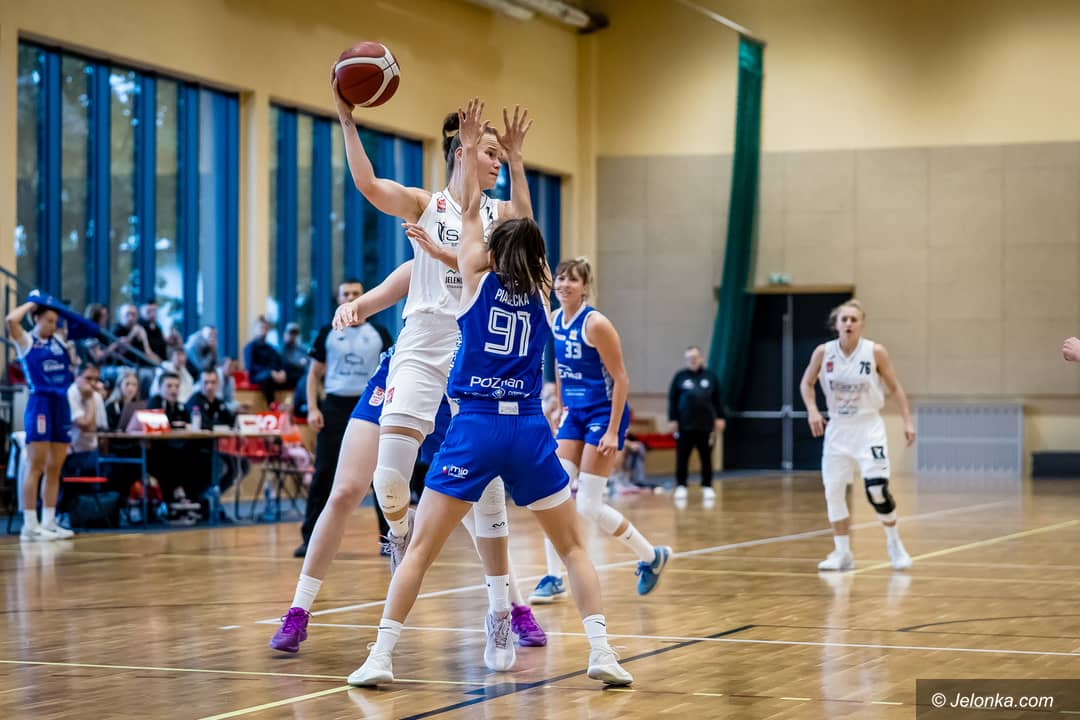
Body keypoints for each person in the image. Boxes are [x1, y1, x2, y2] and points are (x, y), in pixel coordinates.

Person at [347, 100, 631, 687]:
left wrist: (470, 162)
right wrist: (515, 161)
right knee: (573, 549)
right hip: (528, 428)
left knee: (420, 548)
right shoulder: (545, 288)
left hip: (476, 425)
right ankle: (603, 651)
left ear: (486, 253)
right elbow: (511, 225)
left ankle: (381, 655)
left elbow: (471, 221)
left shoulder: (473, 281)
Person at [269, 87, 545, 656]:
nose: (496, 160)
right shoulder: (426, 205)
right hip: (415, 357)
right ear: (462, 151)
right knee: (351, 487)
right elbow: (371, 190)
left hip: (468, 365)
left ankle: (510, 607)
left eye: (499, 154)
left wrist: (516, 161)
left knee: (483, 496)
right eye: (488, 152)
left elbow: (520, 227)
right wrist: (347, 120)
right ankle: (300, 608)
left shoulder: (496, 218)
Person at [531, 257, 670, 603]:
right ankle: (553, 577)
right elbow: (560, 365)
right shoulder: (554, 319)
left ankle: (650, 556)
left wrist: (612, 430)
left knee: (588, 505)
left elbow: (621, 378)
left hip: (604, 413)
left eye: (572, 280)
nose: (564, 285)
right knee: (552, 491)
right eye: (560, 278)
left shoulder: (596, 324)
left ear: (585, 287)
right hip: (575, 413)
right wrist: (559, 404)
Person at [799, 299, 914, 571]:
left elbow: (895, 388)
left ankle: (894, 543)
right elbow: (807, 383)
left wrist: (907, 421)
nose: (849, 323)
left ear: (862, 324)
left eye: (854, 319)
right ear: (836, 324)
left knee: (876, 490)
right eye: (844, 319)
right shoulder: (823, 352)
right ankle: (842, 553)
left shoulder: (875, 352)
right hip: (838, 428)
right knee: (834, 491)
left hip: (868, 427)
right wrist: (812, 410)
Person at [296, 280, 392, 558]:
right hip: (334, 408)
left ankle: (389, 540)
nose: (350, 297)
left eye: (355, 294)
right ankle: (310, 539)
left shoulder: (379, 333)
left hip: (370, 406)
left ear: (364, 297)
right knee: (324, 473)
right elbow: (313, 374)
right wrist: (313, 409)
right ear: (339, 299)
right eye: (346, 294)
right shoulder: (327, 332)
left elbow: (392, 370)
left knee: (381, 474)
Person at [7, 297, 77, 541]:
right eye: (48, 320)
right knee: (35, 465)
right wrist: (33, 302)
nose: (52, 325)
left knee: (55, 467)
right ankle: (30, 524)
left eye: (55, 321)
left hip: (61, 403)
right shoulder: (27, 341)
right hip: (40, 403)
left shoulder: (60, 341)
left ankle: (49, 521)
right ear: (36, 319)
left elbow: (77, 328)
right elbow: (11, 320)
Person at [667, 345, 725, 502]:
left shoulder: (710, 377)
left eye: (695, 357)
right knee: (682, 457)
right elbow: (672, 399)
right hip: (684, 425)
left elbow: (718, 399)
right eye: (689, 358)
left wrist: (720, 417)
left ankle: (707, 486)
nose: (692, 360)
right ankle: (681, 485)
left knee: (706, 457)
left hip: (705, 425)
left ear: (701, 358)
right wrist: (673, 419)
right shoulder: (680, 377)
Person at [244, 316, 289, 404]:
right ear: (255, 329)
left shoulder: (271, 348)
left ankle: (288, 403)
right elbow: (250, 367)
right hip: (256, 376)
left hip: (272, 375)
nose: (263, 330)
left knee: (290, 374)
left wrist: (282, 371)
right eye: (261, 327)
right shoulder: (250, 347)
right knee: (267, 378)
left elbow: (278, 362)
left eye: (265, 328)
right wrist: (270, 373)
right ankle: (271, 403)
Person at [279, 322, 309, 388]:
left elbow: (308, 361)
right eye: (291, 333)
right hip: (291, 378)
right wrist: (300, 363)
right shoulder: (282, 350)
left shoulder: (302, 349)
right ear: (285, 334)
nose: (293, 336)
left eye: (295, 334)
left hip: (303, 376)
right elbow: (286, 365)